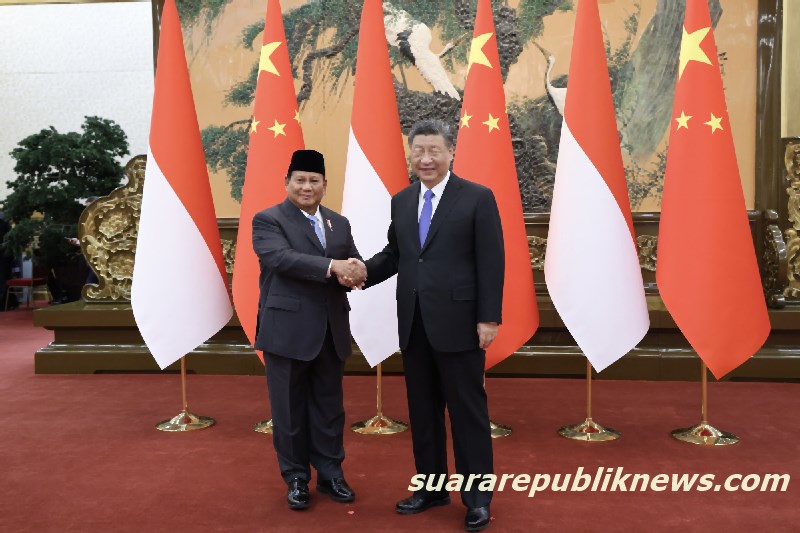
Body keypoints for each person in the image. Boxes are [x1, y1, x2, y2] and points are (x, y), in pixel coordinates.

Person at [354, 119, 504, 532]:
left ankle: (477, 499)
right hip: (415, 325)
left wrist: (489, 317)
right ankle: (432, 488)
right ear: (410, 154)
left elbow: (492, 262)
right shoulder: (402, 201)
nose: (425, 158)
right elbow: (397, 255)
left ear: (451, 151)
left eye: (434, 150)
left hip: (460, 325)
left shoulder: (477, 198)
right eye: (418, 150)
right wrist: (361, 271)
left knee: (467, 414)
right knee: (423, 414)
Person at [252, 149, 366, 511]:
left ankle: (332, 474)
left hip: (331, 330)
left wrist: (358, 271)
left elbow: (351, 260)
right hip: (287, 332)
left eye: (314, 180)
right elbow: (280, 259)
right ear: (287, 183)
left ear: (324, 185)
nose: (307, 186)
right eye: (299, 180)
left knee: (330, 408)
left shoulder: (339, 223)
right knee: (288, 410)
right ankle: (297, 478)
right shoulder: (268, 220)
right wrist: (334, 266)